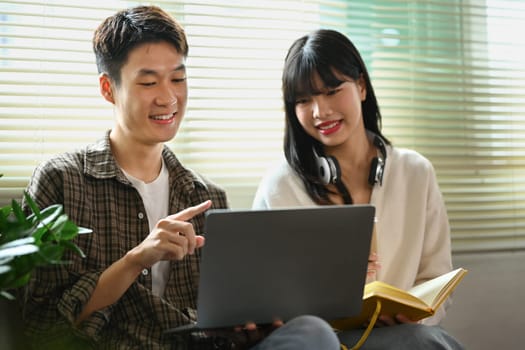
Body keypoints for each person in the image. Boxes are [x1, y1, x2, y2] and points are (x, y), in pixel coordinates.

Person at [19, 6, 341, 350]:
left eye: (178, 78)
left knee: (311, 330)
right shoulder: (61, 181)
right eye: (148, 82)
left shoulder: (208, 197)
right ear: (108, 89)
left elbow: (223, 327)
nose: (168, 97)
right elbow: (42, 329)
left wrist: (255, 322)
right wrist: (135, 260)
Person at [252, 29, 465, 349]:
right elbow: (259, 293)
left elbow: (434, 279)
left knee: (426, 340)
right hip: (317, 340)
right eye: (303, 100)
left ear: (362, 86)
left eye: (332, 91)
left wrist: (412, 316)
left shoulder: (415, 172)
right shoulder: (280, 185)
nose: (319, 112)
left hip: (395, 335)